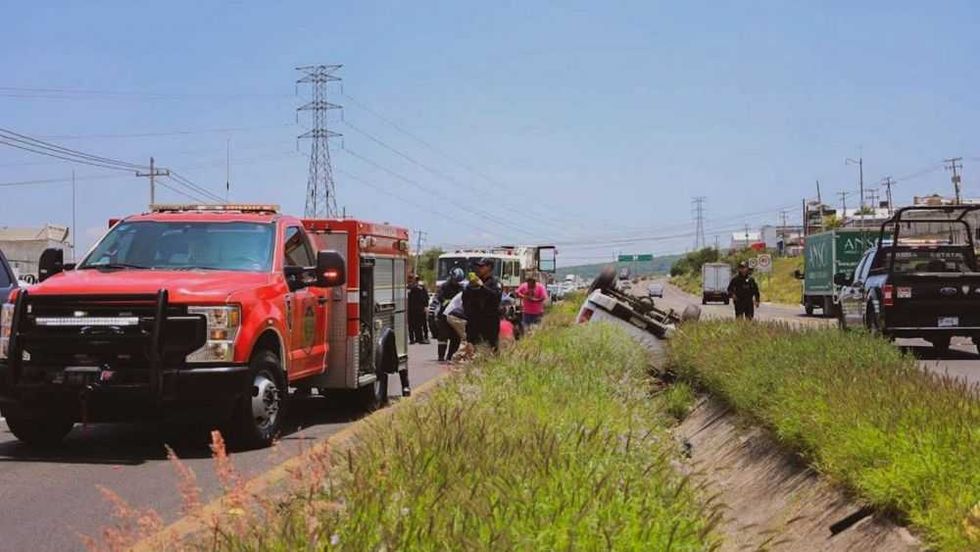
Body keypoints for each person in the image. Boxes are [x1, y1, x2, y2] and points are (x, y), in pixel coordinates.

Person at [462, 258, 502, 350]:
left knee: (491, 347)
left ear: (489, 268)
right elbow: (465, 298)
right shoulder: (473, 282)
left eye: (482, 266)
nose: (478, 269)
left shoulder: (495, 282)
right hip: (474, 321)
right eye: (478, 266)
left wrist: (482, 287)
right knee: (472, 347)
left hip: (490, 321)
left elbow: (496, 296)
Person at [430, 267, 465, 361]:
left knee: (456, 337)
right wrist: (444, 302)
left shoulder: (461, 288)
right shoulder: (444, 286)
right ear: (451, 277)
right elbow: (438, 297)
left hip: (456, 316)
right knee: (443, 337)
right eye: (455, 280)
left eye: (458, 281)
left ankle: (450, 356)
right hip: (444, 315)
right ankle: (441, 356)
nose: (456, 282)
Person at [407, 275, 430, 344]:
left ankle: (419, 338)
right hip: (411, 309)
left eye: (416, 279)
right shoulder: (409, 288)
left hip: (418, 309)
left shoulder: (419, 288)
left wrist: (425, 306)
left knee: (419, 325)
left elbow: (426, 297)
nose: (415, 280)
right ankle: (413, 339)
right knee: (412, 325)